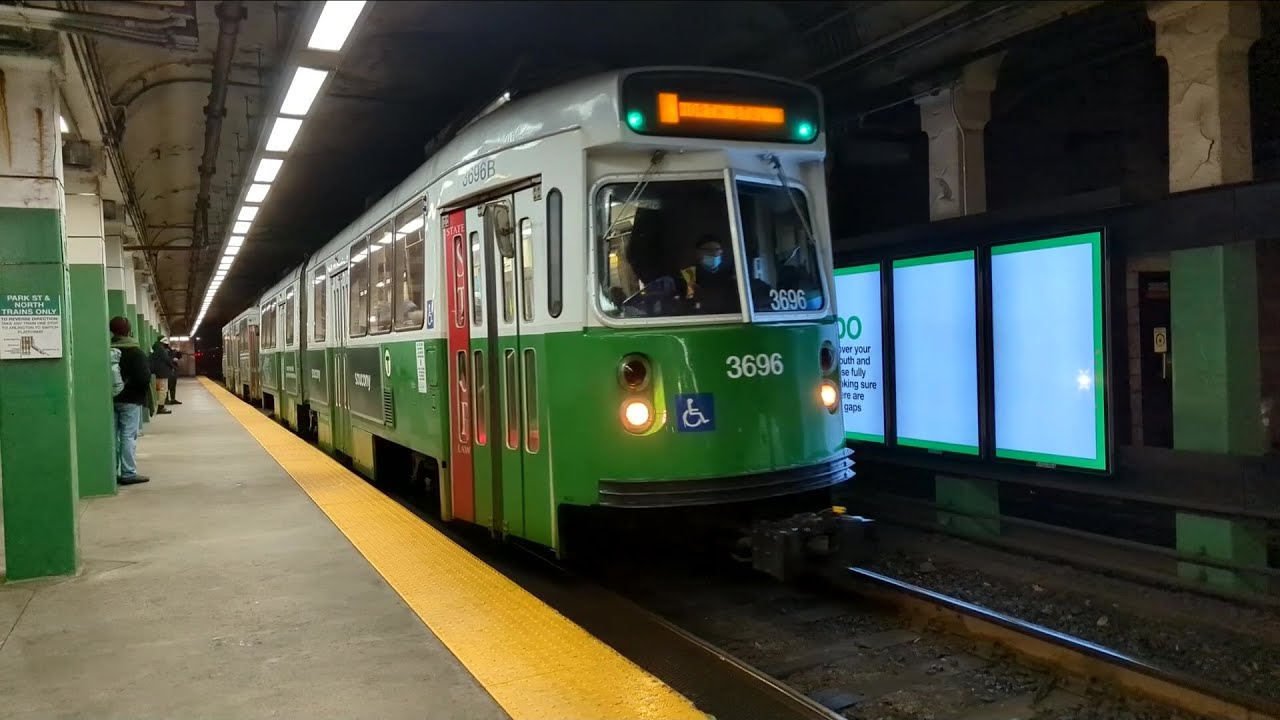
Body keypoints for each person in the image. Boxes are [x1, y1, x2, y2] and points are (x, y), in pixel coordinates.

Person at [110, 316, 150, 485]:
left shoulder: (107, 350)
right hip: (131, 400)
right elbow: (144, 378)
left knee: (113, 436)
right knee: (128, 436)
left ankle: (113, 472)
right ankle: (128, 473)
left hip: (110, 399)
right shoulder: (135, 351)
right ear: (129, 331)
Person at [680, 237, 740, 314]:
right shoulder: (689, 274)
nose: (714, 253)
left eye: (717, 249)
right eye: (709, 250)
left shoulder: (731, 273)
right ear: (698, 253)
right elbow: (689, 300)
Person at [150, 338, 173, 414]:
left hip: (158, 373)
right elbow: (167, 360)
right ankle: (160, 408)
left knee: (159, 390)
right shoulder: (161, 350)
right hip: (163, 373)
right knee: (163, 390)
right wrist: (173, 367)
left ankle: (160, 406)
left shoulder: (156, 348)